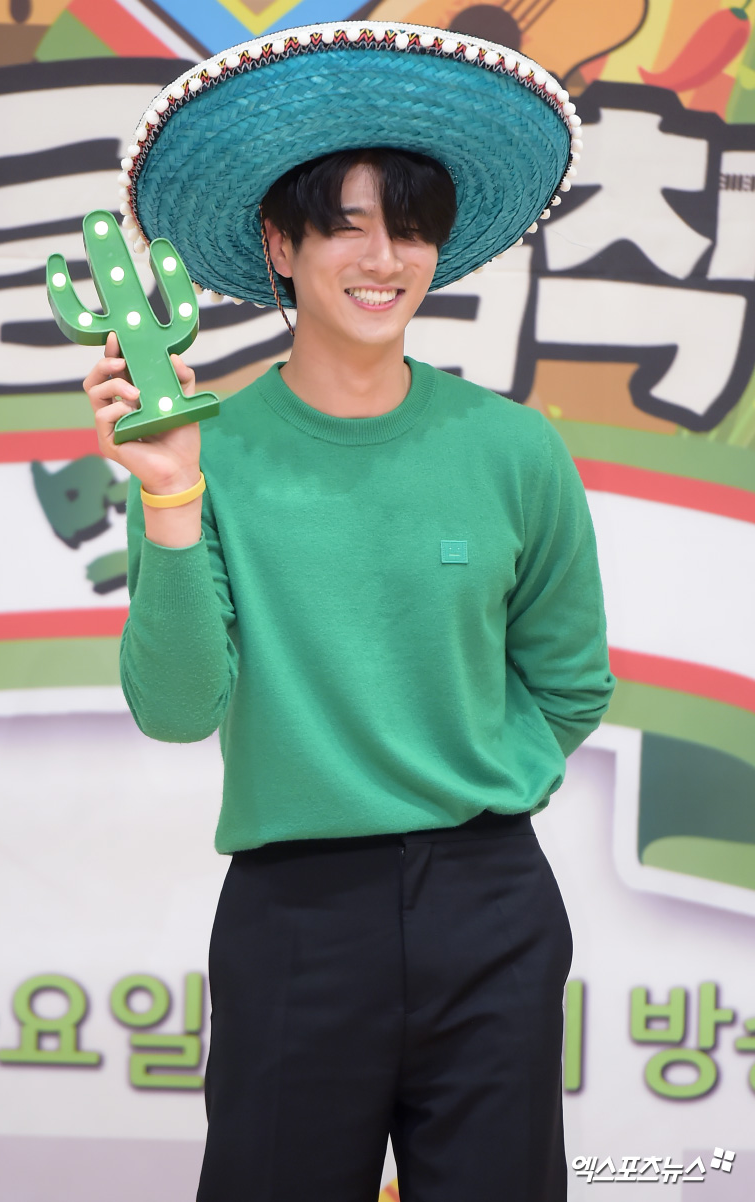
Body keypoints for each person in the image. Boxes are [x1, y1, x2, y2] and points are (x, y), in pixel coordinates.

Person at [82, 22, 615, 1202]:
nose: (384, 259)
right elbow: (177, 708)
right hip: (294, 916)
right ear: (281, 244)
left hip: (490, 903)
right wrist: (168, 491)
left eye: (410, 227)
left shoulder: (512, 447)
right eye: (347, 225)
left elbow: (570, 681)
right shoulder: (205, 449)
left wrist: (471, 780)